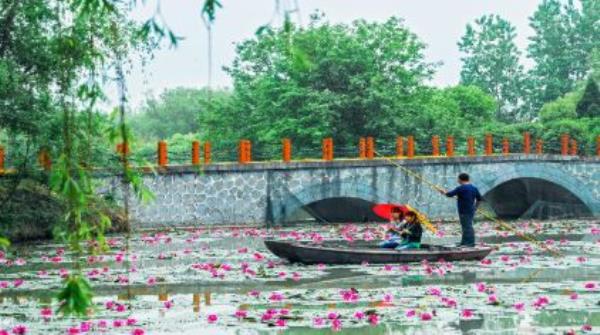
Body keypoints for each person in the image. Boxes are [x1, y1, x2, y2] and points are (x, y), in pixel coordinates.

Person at [439, 172, 483, 247]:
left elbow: (449, 194)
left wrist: (443, 192)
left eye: (458, 179)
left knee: (467, 226)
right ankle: (464, 242)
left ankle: (469, 243)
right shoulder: (474, 188)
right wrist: (475, 208)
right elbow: (479, 199)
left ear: (460, 179)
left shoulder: (460, 188)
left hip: (463, 211)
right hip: (471, 210)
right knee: (466, 226)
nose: (457, 180)